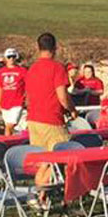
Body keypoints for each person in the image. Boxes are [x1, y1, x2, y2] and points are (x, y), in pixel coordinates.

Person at [25, 32, 75, 188]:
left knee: (43, 161)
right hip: (51, 120)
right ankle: (41, 188)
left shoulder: (31, 69)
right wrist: (72, 109)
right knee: (64, 155)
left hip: (33, 119)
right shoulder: (57, 68)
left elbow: (28, 97)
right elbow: (62, 97)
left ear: (38, 48)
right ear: (55, 48)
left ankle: (41, 195)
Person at [0, 47, 27, 135]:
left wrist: (26, 98)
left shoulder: (22, 71)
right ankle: (8, 140)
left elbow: (28, 85)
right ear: (5, 58)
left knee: (10, 125)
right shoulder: (1, 72)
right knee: (8, 126)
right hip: (5, 103)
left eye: (13, 56)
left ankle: (8, 139)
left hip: (17, 102)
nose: (11, 59)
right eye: (9, 57)